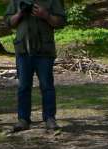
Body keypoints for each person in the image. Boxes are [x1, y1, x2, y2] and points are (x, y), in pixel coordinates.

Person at [4, 0, 66, 132]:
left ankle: (50, 118)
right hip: (23, 50)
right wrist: (19, 14)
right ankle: (23, 119)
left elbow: (61, 22)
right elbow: (8, 22)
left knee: (47, 86)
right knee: (23, 86)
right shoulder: (17, 1)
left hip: (45, 50)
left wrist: (46, 15)